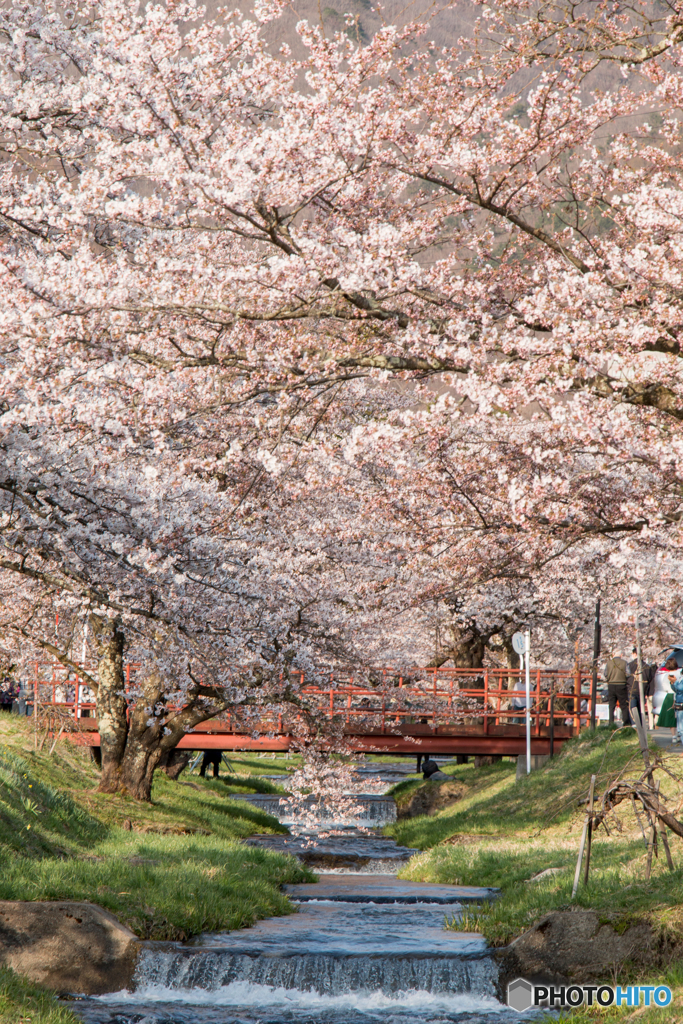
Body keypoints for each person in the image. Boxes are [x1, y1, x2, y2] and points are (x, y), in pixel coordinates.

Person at [604, 650, 631, 726]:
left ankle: (611, 723)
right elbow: (628, 673)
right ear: (621, 655)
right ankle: (626, 723)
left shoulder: (609, 663)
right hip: (622, 685)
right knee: (624, 705)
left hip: (611, 685)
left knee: (611, 705)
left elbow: (605, 674)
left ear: (613, 654)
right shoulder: (624, 663)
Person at [672, 672, 683, 747]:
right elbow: (676, 690)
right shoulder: (680, 677)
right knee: (680, 729)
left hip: (681, 703)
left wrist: (675, 681)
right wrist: (672, 683)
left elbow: (681, 688)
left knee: (681, 728)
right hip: (679, 704)